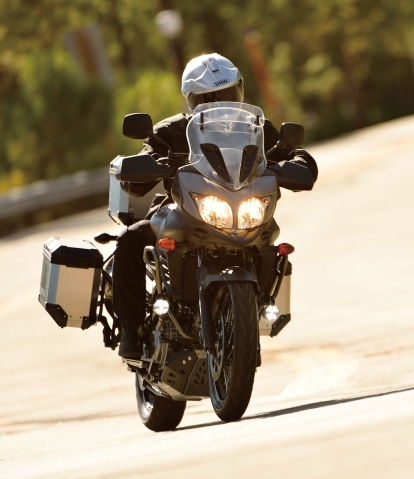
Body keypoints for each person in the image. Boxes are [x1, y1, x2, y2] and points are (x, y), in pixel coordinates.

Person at [114, 53, 317, 358]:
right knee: (131, 238)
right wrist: (149, 165)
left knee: (271, 243)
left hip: (242, 209)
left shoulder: (257, 128)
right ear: (191, 100)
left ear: (240, 90)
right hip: (184, 210)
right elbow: (147, 156)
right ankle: (131, 330)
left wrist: (296, 162)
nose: (221, 104)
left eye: (228, 94)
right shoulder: (172, 131)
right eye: (209, 99)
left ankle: (256, 307)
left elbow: (290, 152)